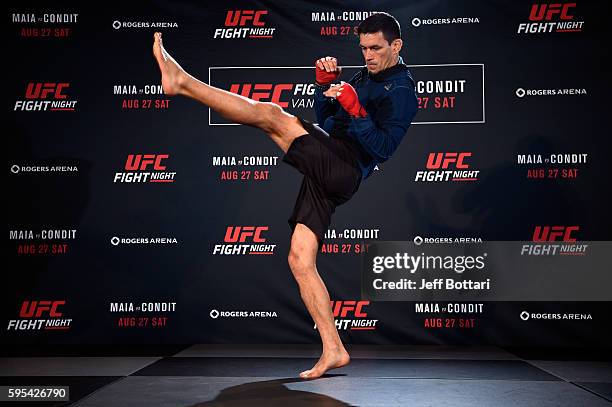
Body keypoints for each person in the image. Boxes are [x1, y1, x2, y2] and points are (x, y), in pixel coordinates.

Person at [152, 12, 417, 379]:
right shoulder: (365, 73)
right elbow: (327, 123)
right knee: (299, 259)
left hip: (346, 169)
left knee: (271, 115)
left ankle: (182, 82)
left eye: (375, 48)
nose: (368, 55)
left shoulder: (403, 90)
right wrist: (328, 87)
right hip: (330, 157)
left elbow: (383, 148)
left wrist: (356, 109)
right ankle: (334, 349)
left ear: (396, 46)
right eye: (363, 48)